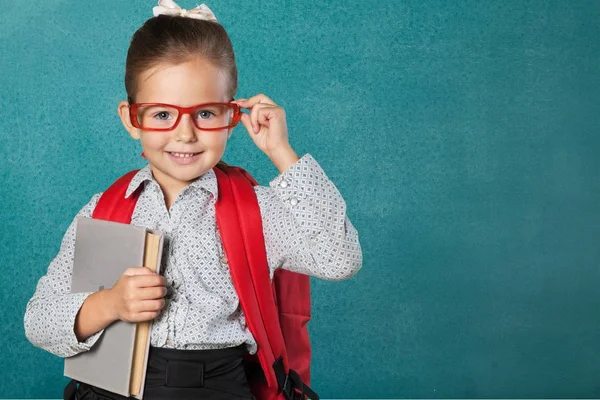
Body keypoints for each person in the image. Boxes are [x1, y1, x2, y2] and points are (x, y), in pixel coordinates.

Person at [23, 1, 362, 399]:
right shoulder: (104, 210)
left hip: (220, 387)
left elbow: (340, 259)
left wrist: (281, 153)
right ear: (131, 119)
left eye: (205, 113)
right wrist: (109, 305)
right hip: (114, 388)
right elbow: (38, 320)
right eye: (163, 115)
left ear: (234, 116)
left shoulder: (257, 209)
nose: (185, 134)